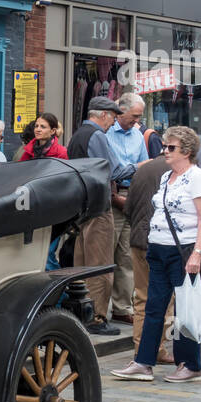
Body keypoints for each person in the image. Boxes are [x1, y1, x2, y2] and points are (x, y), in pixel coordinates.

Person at [111, 126, 201, 383]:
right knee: (154, 306)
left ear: (187, 151)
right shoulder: (167, 176)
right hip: (158, 248)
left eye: (171, 147)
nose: (164, 151)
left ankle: (190, 364)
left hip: (183, 250)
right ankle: (144, 361)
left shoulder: (197, 177)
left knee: (183, 308)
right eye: (165, 146)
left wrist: (197, 254)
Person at [67, 96, 133, 335]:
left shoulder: (77, 135)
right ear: (103, 115)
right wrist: (141, 166)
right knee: (100, 266)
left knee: (82, 264)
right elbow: (114, 170)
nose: (113, 123)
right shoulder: (96, 135)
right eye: (113, 118)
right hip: (97, 207)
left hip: (82, 207)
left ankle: (82, 314)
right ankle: (96, 317)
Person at [124, 155, 175, 365]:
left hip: (139, 238)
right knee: (166, 299)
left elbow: (128, 208)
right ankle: (158, 348)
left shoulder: (143, 169)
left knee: (142, 298)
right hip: (163, 242)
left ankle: (140, 348)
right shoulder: (182, 171)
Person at [106, 94, 150, 325]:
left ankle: (122, 307)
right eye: (134, 116)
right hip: (111, 197)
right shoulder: (105, 133)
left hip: (131, 195)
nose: (137, 121)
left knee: (127, 255)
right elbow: (110, 170)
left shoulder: (137, 135)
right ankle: (100, 309)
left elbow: (144, 165)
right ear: (121, 111)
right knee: (106, 252)